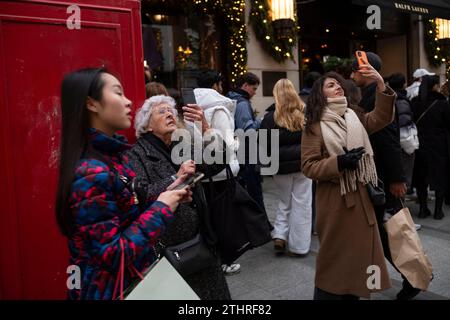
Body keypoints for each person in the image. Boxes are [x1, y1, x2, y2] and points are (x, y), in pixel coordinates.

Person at [55, 68, 190, 300]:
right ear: (92, 104)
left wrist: (168, 194)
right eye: (118, 93)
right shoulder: (91, 172)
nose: (128, 102)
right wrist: (161, 208)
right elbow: (112, 255)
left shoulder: (114, 157)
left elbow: (128, 214)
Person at [301, 67, 396, 299]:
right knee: (334, 264)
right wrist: (339, 162)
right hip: (336, 203)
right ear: (320, 95)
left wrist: (381, 84)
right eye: (330, 85)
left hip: (362, 200)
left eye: (339, 83)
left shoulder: (355, 115)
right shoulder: (314, 124)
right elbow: (309, 166)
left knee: (358, 262)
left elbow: (381, 118)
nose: (338, 86)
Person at [127, 95, 232, 300]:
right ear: (147, 126)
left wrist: (206, 127)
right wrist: (176, 177)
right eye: (162, 111)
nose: (169, 114)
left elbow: (218, 162)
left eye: (171, 111)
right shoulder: (136, 155)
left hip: (201, 242)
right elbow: (141, 196)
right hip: (168, 252)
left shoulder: (181, 146)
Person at [352, 53, 421, 300]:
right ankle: (415, 273)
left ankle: (414, 276)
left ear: (366, 73)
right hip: (379, 177)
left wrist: (397, 179)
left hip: (382, 178)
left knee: (389, 232)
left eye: (354, 71)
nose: (351, 76)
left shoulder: (377, 98)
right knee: (387, 231)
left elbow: (389, 140)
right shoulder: (371, 96)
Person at [194, 70, 242, 275]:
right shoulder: (219, 109)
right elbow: (227, 144)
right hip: (221, 171)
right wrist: (238, 142)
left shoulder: (191, 106)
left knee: (209, 218)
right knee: (224, 219)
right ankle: (225, 260)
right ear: (216, 85)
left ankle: (212, 258)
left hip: (201, 170)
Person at [261, 79, 312, 256]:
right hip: (303, 165)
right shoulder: (305, 114)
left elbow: (263, 145)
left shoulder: (269, 117)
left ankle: (280, 235)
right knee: (302, 203)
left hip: (279, 167)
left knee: (284, 201)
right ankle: (299, 245)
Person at [411, 75, 450, 220]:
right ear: (434, 86)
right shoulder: (442, 103)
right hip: (438, 145)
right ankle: (438, 211)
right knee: (440, 177)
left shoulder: (415, 102)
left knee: (421, 178)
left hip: (419, 145)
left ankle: (422, 209)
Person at [227, 72, 266, 212]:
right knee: (254, 192)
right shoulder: (242, 103)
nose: (255, 93)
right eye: (254, 89)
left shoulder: (232, 99)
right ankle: (261, 226)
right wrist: (260, 121)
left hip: (239, 152)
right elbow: (247, 129)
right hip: (247, 153)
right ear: (245, 85)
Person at [387, 73, 417, 197]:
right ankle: (398, 210)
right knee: (400, 184)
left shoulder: (391, 98)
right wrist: (411, 147)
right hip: (402, 146)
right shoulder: (401, 101)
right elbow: (404, 129)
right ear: (404, 84)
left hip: (395, 144)